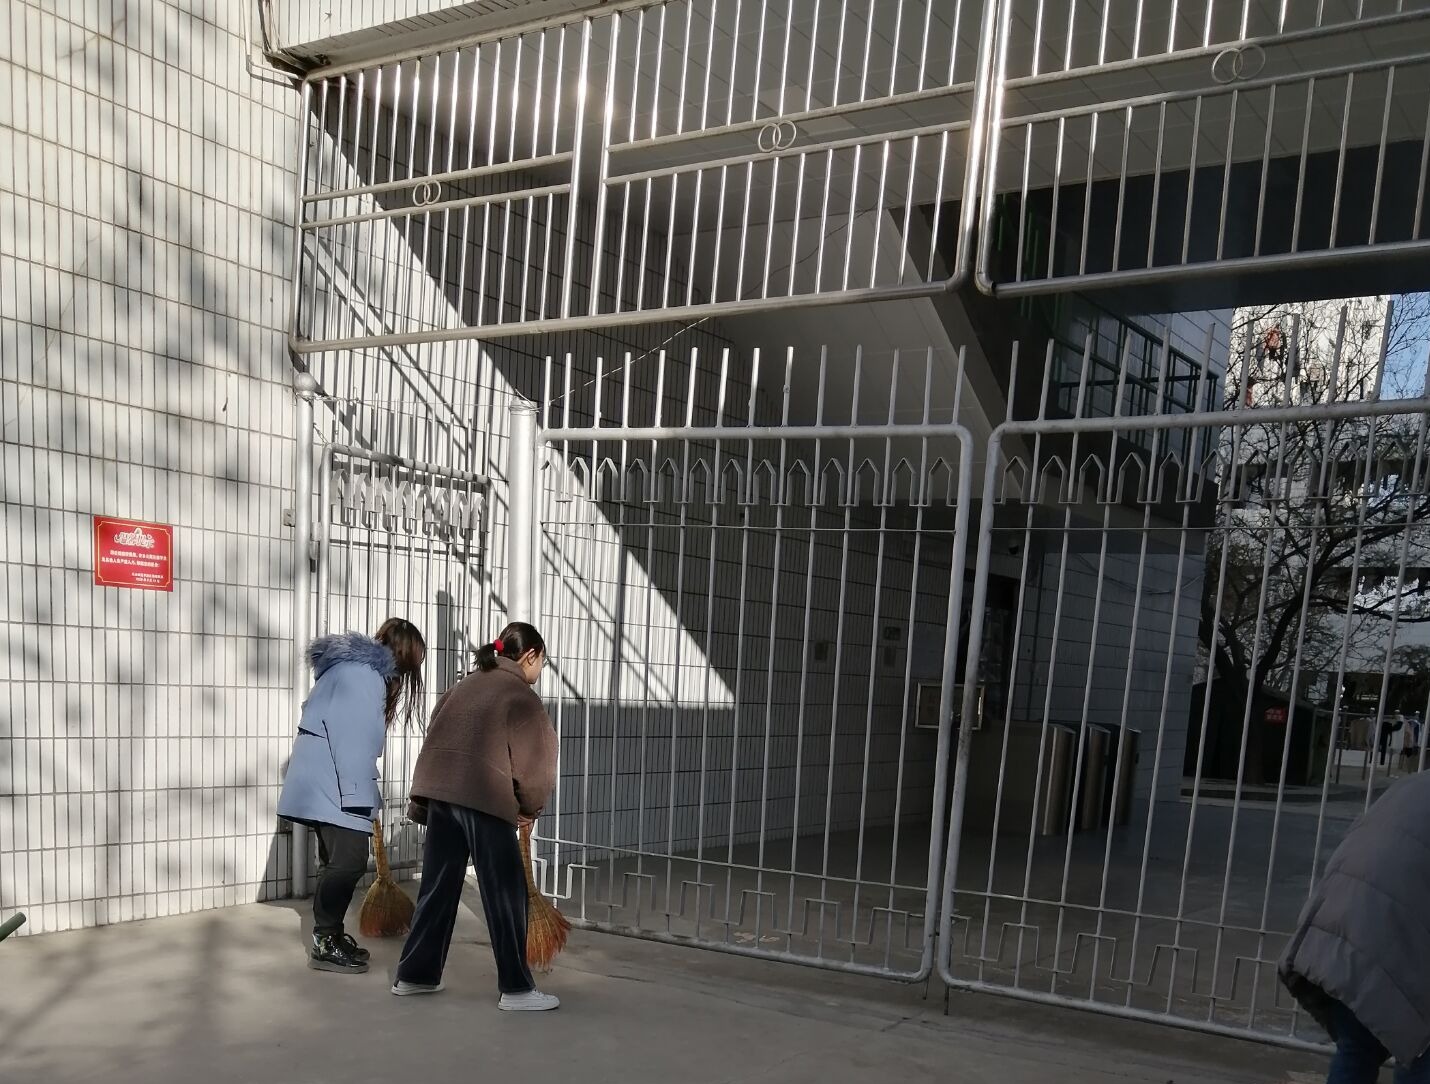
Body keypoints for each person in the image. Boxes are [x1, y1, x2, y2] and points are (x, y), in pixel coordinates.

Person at [392, 622, 560, 1011]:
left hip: (443, 796)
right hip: (485, 796)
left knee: (437, 889)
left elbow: (435, 736)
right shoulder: (520, 696)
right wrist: (528, 810)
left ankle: (415, 975)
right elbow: (537, 767)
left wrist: (426, 803)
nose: (540, 670)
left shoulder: (464, 686)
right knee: (504, 893)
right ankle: (517, 990)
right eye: (542, 662)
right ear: (530, 655)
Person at [277, 619, 427, 974]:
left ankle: (329, 934)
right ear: (404, 655)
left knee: (336, 862)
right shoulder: (363, 677)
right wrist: (361, 797)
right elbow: (353, 744)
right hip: (334, 783)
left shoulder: (352, 670)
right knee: (348, 862)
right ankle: (324, 942)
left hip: (324, 782)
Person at [1279, 771, 1430, 1082]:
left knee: (1358, 1047)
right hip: (1392, 939)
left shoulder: (1412, 785)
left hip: (1342, 930)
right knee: (1420, 1049)